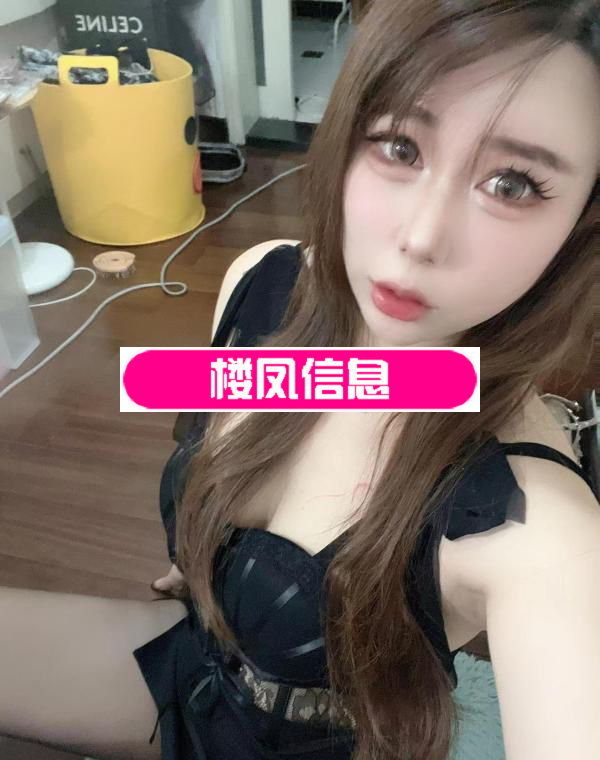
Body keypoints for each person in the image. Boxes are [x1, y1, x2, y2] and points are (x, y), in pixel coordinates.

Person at [1, 1, 599, 759]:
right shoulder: (263, 284)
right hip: (192, 661)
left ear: (583, 222)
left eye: (511, 184)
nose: (420, 237)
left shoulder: (538, 528)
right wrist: (208, 560)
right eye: (400, 146)